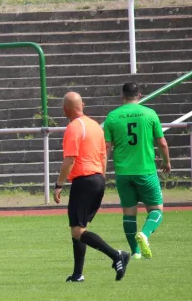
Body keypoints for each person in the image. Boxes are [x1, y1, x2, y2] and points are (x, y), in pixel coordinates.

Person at [54, 92, 130, 283]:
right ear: (83, 105)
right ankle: (78, 274)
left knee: (78, 231)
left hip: (84, 180)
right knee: (79, 228)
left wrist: (58, 185)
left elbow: (70, 159)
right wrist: (100, 178)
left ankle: (116, 255)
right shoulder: (95, 126)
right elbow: (104, 155)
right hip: (97, 178)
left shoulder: (74, 127)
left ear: (65, 110)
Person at [103, 82, 171, 260]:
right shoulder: (149, 114)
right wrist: (166, 161)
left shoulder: (112, 117)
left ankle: (136, 252)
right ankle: (145, 234)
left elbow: (107, 147)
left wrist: (101, 171)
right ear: (139, 95)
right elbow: (162, 142)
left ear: (122, 96)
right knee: (156, 209)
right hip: (146, 170)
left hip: (123, 173)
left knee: (129, 213)